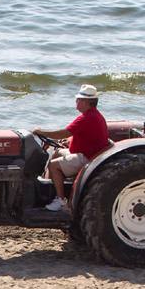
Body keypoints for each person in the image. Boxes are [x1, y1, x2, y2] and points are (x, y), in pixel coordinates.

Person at [32, 83, 112, 212]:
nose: (76, 102)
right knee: (57, 153)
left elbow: (63, 133)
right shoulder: (93, 115)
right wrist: (67, 141)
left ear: (86, 102)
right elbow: (79, 135)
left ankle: (60, 200)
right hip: (87, 153)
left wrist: (41, 132)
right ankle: (48, 189)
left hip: (87, 158)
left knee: (53, 165)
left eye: (79, 100)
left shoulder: (86, 118)